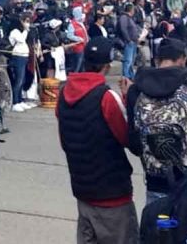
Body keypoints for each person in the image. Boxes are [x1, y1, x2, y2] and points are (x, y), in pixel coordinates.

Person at [57, 37, 138, 244]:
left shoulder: (64, 94)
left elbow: (64, 141)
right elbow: (130, 139)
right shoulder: (107, 97)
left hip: (83, 190)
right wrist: (129, 99)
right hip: (113, 194)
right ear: (107, 66)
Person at [127, 38, 187, 205]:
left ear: (156, 60)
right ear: (183, 59)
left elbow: (133, 143)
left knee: (158, 227)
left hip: (156, 182)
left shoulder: (135, 91)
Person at [9, 12, 33, 113]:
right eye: (26, 21)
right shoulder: (15, 31)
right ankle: (15, 102)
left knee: (22, 80)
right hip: (17, 57)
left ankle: (20, 100)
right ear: (21, 22)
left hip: (24, 57)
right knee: (18, 80)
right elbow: (21, 40)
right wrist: (26, 31)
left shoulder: (22, 31)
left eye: (29, 22)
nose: (28, 24)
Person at [118, 4, 140, 80]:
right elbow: (123, 29)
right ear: (131, 10)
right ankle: (126, 76)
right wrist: (128, 39)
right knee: (128, 60)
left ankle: (131, 75)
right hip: (128, 42)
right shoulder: (124, 17)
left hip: (133, 41)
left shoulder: (130, 18)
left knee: (131, 60)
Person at [66, 7, 89, 74]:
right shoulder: (72, 24)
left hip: (84, 46)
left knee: (82, 64)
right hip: (78, 47)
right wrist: (78, 39)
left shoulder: (81, 23)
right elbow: (69, 35)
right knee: (77, 65)